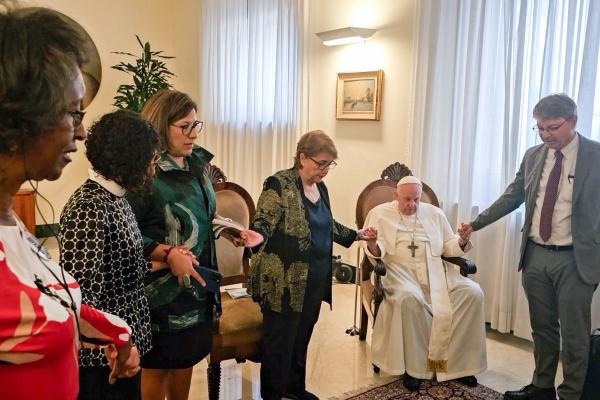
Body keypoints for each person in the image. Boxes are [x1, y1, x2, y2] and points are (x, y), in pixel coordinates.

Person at [0, 6, 139, 400]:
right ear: (21, 118)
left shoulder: (12, 223)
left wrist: (119, 334)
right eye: (74, 114)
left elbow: (54, 300)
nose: (81, 133)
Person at [459, 94, 600, 400]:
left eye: (553, 127)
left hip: (576, 260)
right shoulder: (534, 155)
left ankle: (571, 394)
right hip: (535, 254)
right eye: (540, 128)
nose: (545, 134)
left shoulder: (595, 155)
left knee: (574, 334)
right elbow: (513, 196)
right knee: (542, 327)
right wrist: (476, 223)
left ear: (573, 121)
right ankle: (542, 387)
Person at [248, 130, 377, 400]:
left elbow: (327, 224)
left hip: (315, 278)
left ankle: (294, 388)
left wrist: (357, 234)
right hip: (283, 281)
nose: (325, 170)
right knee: (279, 342)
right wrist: (257, 235)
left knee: (302, 336)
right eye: (321, 163)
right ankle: (272, 394)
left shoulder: (321, 188)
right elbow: (264, 221)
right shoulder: (278, 184)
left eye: (330, 164)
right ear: (302, 157)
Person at [59, 110, 161, 399]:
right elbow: (81, 296)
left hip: (124, 350)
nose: (152, 171)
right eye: (150, 161)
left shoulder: (115, 198)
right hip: (103, 361)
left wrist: (167, 260)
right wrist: (114, 346)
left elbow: (120, 269)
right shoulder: (89, 207)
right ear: (130, 158)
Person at [126, 89, 220, 400]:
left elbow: (202, 216)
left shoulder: (196, 165)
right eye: (184, 127)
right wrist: (167, 254)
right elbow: (126, 232)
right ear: (160, 126)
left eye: (196, 125)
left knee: (186, 359)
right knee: (158, 367)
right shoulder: (145, 174)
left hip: (196, 289)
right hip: (160, 296)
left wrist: (228, 229)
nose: (193, 134)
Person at [362, 176, 486, 391]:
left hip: (437, 273)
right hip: (399, 274)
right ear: (396, 195)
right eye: (407, 199)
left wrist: (462, 240)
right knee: (409, 300)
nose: (412, 205)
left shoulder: (435, 214)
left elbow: (448, 245)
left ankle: (457, 366)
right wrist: (372, 243)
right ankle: (415, 368)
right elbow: (374, 252)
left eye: (416, 199)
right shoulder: (379, 214)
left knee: (473, 293)